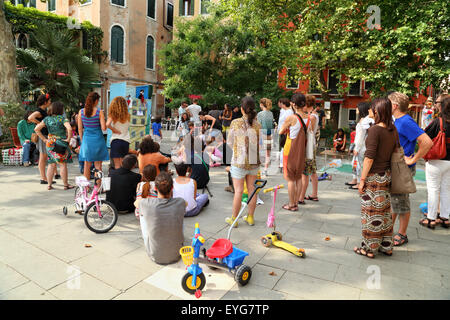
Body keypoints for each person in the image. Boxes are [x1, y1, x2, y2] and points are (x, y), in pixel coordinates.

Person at [354, 97, 398, 259]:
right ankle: (387, 246)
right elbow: (395, 151)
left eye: (372, 108)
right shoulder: (392, 129)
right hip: (386, 175)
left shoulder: (375, 130)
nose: (369, 111)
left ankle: (369, 248)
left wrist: (362, 180)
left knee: (371, 213)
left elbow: (369, 157)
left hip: (373, 177)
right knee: (385, 212)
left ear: (378, 111)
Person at [388, 92, 432, 246]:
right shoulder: (398, 120)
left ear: (394, 106)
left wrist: (413, 159)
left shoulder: (405, 121)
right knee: (395, 200)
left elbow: (427, 141)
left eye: (388, 103)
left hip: (403, 168)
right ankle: (390, 230)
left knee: (402, 201)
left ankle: (402, 234)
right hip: (397, 166)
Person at [225, 96, 261, 227]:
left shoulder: (235, 122)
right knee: (252, 190)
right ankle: (250, 217)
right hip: (253, 161)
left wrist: (238, 148)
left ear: (242, 109)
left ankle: (234, 220)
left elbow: (229, 142)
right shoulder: (257, 124)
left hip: (239, 161)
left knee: (238, 191)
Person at [138, 171, 186, 265]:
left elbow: (136, 203)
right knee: (180, 213)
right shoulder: (180, 202)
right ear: (172, 188)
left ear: (155, 188)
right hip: (177, 253)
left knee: (142, 214)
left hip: (155, 255)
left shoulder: (146, 203)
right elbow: (186, 204)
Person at [420, 97, 450, 229]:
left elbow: (424, 138)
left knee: (433, 189)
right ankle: (445, 217)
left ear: (443, 106)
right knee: (446, 189)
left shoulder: (438, 122)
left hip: (436, 160)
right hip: (449, 162)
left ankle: (431, 218)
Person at [34, 101, 73, 190]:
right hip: (60, 143)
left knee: (51, 164)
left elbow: (36, 129)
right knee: (62, 164)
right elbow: (70, 129)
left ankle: (49, 185)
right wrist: (68, 139)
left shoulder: (47, 119)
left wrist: (44, 139)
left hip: (50, 143)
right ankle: (65, 185)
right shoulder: (62, 119)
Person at [279, 93, 307, 212]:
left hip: (290, 150)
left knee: (290, 179)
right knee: (299, 177)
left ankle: (291, 204)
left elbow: (280, 131)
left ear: (294, 104)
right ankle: (296, 202)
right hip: (302, 151)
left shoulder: (291, 118)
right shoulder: (309, 117)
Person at [78, 92, 109, 180]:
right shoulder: (99, 112)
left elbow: (80, 129)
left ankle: (86, 188)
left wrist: (82, 140)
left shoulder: (81, 112)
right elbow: (103, 128)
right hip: (98, 140)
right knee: (98, 166)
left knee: (87, 165)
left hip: (87, 141)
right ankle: (98, 187)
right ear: (95, 101)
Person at [28, 93, 55, 184]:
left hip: (45, 135)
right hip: (42, 136)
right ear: (45, 102)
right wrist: (39, 123)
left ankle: (45, 178)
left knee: (43, 157)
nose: (50, 102)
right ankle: (43, 178)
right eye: (49, 101)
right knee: (43, 157)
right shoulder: (39, 111)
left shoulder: (44, 110)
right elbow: (30, 117)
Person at [346, 102, 373, 189]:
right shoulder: (363, 119)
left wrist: (356, 148)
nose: (356, 109)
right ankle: (355, 179)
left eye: (357, 108)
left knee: (358, 164)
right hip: (359, 145)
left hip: (361, 147)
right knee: (354, 163)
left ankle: (358, 182)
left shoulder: (365, 120)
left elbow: (361, 137)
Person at [298, 95, 319, 204]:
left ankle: (301, 197)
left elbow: (308, 132)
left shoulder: (311, 117)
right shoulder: (313, 115)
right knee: (312, 171)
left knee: (305, 173)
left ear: (306, 105)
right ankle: (314, 194)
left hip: (309, 146)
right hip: (312, 145)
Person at [106, 96, 131, 170]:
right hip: (126, 141)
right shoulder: (128, 115)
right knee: (124, 165)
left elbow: (107, 124)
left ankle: (118, 180)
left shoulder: (113, 115)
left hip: (116, 141)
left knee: (117, 166)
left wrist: (114, 130)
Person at [257, 98, 274, 177]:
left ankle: (257, 170)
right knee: (268, 153)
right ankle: (266, 170)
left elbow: (258, 125)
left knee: (258, 152)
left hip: (262, 135)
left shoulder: (260, 114)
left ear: (261, 104)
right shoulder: (270, 113)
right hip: (269, 135)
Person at [277, 98, 294, 173]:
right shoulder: (283, 111)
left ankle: (284, 164)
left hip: (285, 132)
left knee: (284, 147)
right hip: (281, 131)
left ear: (284, 104)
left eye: (281, 103)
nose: (280, 105)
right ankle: (282, 163)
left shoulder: (289, 112)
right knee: (282, 147)